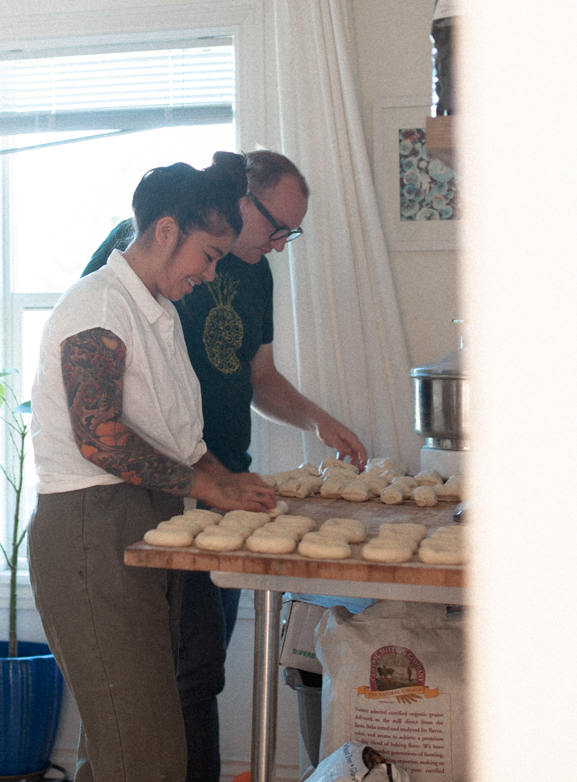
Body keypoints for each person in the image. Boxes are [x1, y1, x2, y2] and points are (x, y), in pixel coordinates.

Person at [81, 149, 367, 782]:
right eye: (277, 228)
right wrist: (201, 481)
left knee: (201, 672)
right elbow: (100, 401)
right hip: (162, 494)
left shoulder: (254, 274)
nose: (281, 244)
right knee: (168, 681)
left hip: (223, 485)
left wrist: (317, 421)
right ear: (239, 204)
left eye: (293, 232)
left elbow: (257, 378)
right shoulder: (129, 272)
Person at [29, 155, 280, 782]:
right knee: (147, 759)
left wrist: (230, 485)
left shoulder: (158, 312)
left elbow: (181, 440)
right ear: (165, 230)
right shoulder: (98, 305)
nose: (210, 271)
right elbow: (103, 439)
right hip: (91, 532)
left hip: (144, 526)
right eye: (210, 254)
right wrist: (206, 486)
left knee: (119, 745)